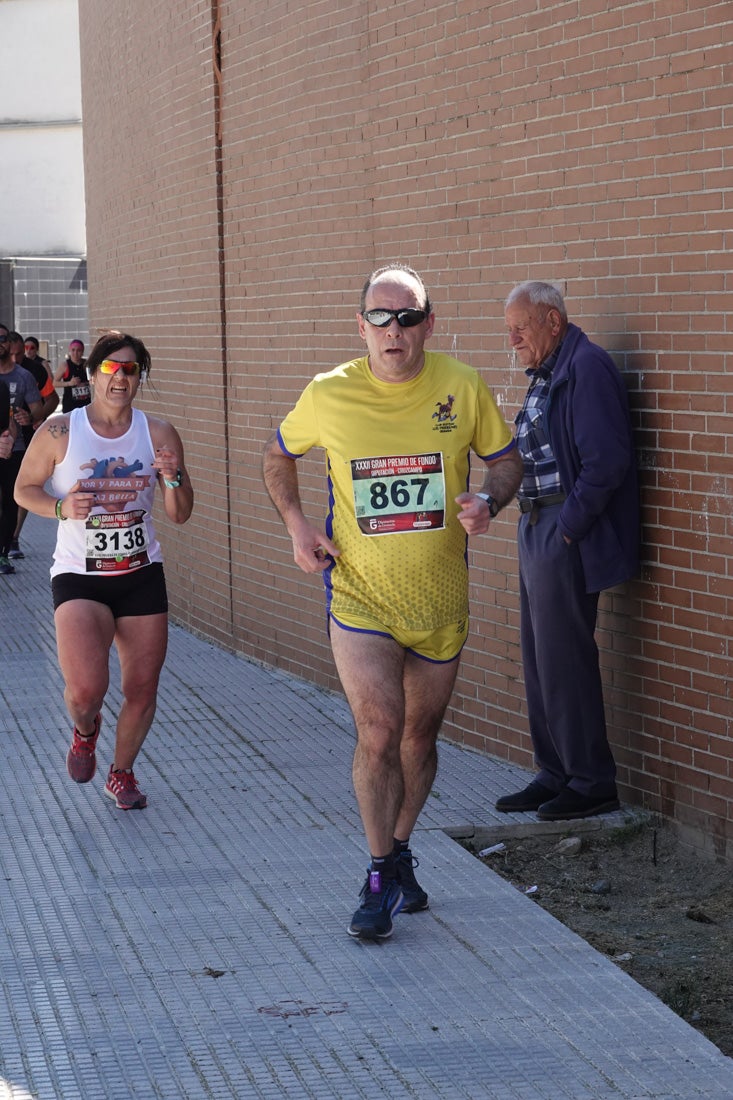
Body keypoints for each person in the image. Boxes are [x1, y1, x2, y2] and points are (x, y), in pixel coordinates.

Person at [262, 263, 523, 939]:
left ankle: (401, 847)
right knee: (378, 731)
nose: (393, 331)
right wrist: (297, 527)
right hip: (361, 598)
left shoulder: (461, 386)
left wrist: (487, 500)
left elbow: (506, 459)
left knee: (418, 737)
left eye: (407, 318)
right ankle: (377, 873)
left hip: (439, 600)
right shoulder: (328, 394)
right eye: (379, 318)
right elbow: (277, 454)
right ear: (360, 327)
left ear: (428, 325)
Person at [15, 330, 194, 809]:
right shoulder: (60, 432)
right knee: (85, 691)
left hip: (140, 573)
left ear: (139, 378)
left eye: (130, 369)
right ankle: (85, 730)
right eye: (111, 368)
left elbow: (180, 513)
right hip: (80, 576)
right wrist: (60, 508)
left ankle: (122, 773)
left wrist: (173, 476)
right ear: (93, 374)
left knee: (141, 688)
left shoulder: (157, 433)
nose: (120, 377)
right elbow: (23, 489)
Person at [496, 281, 639, 822]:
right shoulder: (548, 371)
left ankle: (591, 781)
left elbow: (607, 462)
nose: (512, 340)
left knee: (566, 660)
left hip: (563, 527)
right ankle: (555, 771)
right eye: (509, 329)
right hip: (538, 524)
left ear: (552, 321)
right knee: (539, 659)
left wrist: (568, 530)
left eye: (520, 327)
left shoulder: (587, 367)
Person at [8, 333, 59, 559]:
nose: (17, 357)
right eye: (13, 354)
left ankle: (14, 537)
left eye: (21, 353)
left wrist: (33, 416)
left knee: (24, 487)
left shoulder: (33, 372)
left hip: (26, 440)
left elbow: (53, 399)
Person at [0, 323, 43, 575]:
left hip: (14, 449)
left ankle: (3, 553)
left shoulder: (23, 376)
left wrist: (29, 415)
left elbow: (38, 408)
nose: (0, 343)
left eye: (3, 338)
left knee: (10, 502)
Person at [54, 339, 91, 413]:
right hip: (70, 405)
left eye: (79, 350)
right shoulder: (65, 365)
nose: (75, 353)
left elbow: (93, 380)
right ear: (69, 351)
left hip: (86, 404)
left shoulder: (87, 364)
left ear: (82, 352)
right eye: (73, 350)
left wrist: (87, 384)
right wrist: (69, 383)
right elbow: (54, 383)